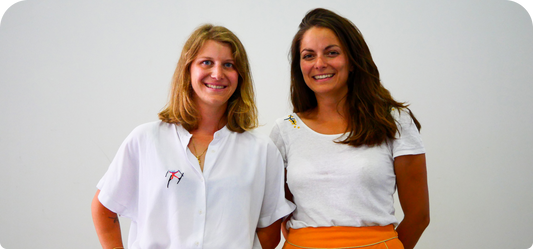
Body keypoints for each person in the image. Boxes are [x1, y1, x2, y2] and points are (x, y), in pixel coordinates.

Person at [91, 24, 295, 249]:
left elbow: (270, 231)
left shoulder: (262, 151)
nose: (217, 74)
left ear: (240, 76)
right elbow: (104, 209)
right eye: (206, 62)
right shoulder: (146, 140)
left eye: (228, 65)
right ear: (188, 70)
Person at [270, 8, 429, 249]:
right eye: (308, 56)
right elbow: (278, 212)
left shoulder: (394, 121)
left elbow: (419, 216)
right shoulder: (285, 129)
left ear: (353, 60)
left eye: (331, 53)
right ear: (299, 66)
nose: (320, 64)